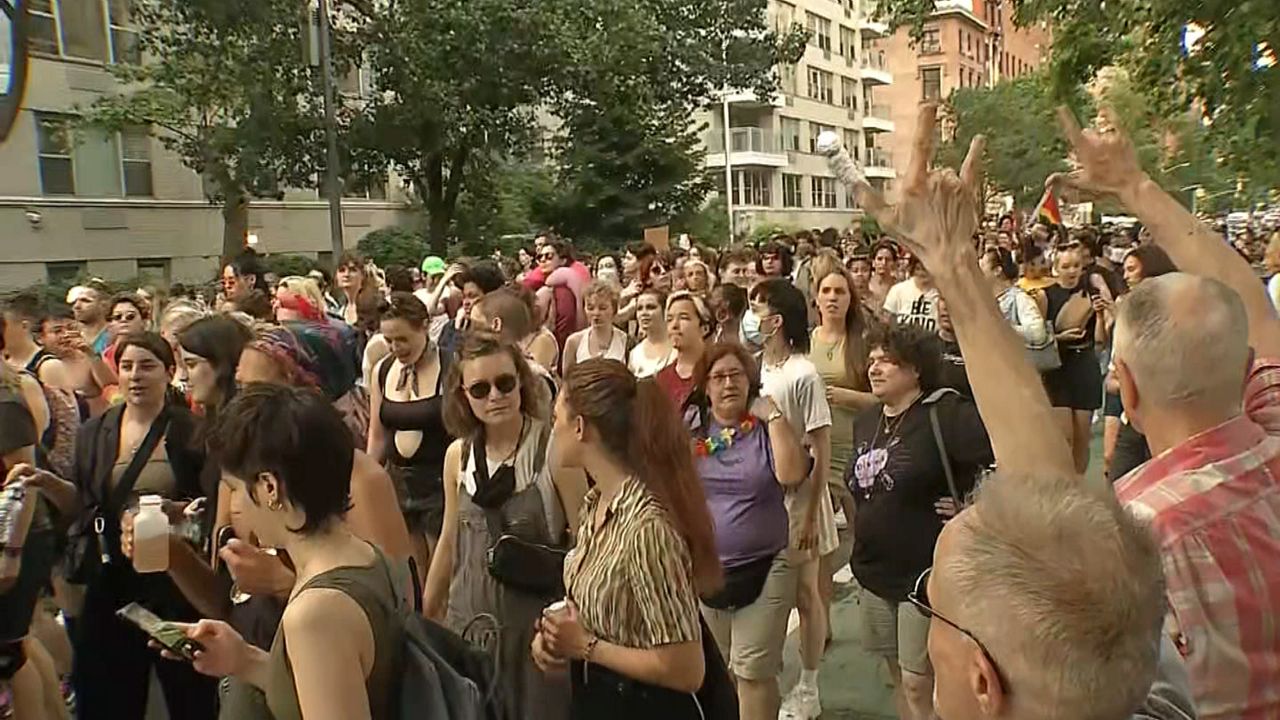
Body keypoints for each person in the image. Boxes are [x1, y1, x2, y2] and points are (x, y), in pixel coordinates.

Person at [844, 100, 1186, 720]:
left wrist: (950, 262)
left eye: (933, 607)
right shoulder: (1143, 697)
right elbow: (1068, 544)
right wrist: (950, 261)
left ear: (984, 682)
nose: (927, 611)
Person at [1053, 105, 1280, 718]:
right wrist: (1135, 185)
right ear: (1244, 370)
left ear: (1124, 388)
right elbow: (1254, 306)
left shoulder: (1132, 535)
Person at [165, 384, 401, 719]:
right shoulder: (365, 555)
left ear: (269, 488)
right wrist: (245, 660)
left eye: (235, 490)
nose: (235, 506)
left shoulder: (315, 613)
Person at [532, 359, 723, 718]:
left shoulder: (647, 527)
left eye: (556, 419)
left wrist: (586, 646)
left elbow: (686, 668)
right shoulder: (596, 504)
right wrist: (559, 639)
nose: (551, 430)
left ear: (580, 428)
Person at [427, 332, 585, 718]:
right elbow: (451, 540)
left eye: (505, 383)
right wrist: (427, 615)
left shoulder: (554, 451)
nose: (495, 396)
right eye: (480, 389)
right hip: (468, 633)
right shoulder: (457, 457)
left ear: (522, 381)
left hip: (535, 639)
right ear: (463, 395)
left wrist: (574, 631)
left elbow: (587, 545)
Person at [847, 321, 993, 720]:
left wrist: (975, 509)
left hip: (924, 570)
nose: (874, 368)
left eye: (888, 361)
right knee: (899, 675)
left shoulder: (946, 415)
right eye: (872, 360)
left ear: (916, 370)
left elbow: (1006, 457)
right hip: (873, 569)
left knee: (919, 679)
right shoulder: (867, 420)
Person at [69, 332, 217, 720]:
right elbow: (83, 501)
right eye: (127, 366)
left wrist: (180, 513)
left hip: (174, 579)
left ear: (169, 373)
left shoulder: (191, 432)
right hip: (112, 575)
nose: (136, 375)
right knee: (106, 690)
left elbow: (212, 505)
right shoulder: (94, 433)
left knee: (188, 688)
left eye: (148, 366)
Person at [687, 343, 806, 720]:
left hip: (768, 564)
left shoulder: (766, 428)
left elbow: (790, 475)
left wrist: (773, 417)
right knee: (721, 670)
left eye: (736, 375)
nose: (727, 384)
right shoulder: (692, 429)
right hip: (707, 569)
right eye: (718, 377)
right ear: (705, 387)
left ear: (750, 381)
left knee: (752, 671)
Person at [749, 278, 837, 720]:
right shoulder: (754, 368)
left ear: (776, 319)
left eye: (756, 307)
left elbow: (820, 445)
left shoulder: (804, 374)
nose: (751, 316)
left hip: (801, 499)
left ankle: (809, 683)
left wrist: (809, 516)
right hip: (759, 501)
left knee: (806, 594)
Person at [805, 250, 877, 655]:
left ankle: (874, 609)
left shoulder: (861, 343)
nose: (833, 298)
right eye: (826, 291)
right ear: (816, 298)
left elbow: (883, 399)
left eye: (840, 292)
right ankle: (822, 620)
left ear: (851, 299)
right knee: (817, 547)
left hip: (858, 451)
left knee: (865, 537)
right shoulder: (806, 341)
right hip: (817, 454)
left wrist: (849, 395)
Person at [367, 293, 451, 578]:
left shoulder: (451, 367)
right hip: (399, 481)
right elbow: (377, 435)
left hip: (439, 482)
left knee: (442, 570)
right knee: (412, 569)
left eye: (402, 339)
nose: (395, 348)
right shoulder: (383, 370)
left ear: (424, 326)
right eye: (388, 340)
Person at [1043, 244, 1113, 473]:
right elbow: (1039, 337)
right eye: (1066, 266)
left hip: (1084, 365)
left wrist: (1101, 316)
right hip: (1057, 368)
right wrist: (1060, 337)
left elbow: (1100, 342)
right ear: (1056, 268)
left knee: (1082, 438)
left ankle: (1079, 486)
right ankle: (1065, 484)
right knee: (1065, 438)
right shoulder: (1046, 295)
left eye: (1076, 266)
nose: (1071, 271)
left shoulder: (1090, 296)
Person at [978, 248, 1049, 346]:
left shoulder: (1020, 298)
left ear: (997, 270)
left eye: (982, 265)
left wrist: (1002, 328)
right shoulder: (983, 301)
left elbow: (1037, 333)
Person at [655, 292, 711, 410]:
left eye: (684, 318)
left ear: (704, 328)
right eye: (669, 319)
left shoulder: (716, 371)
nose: (674, 325)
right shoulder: (662, 379)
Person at [563, 281, 627, 376]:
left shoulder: (625, 341)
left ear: (614, 309)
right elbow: (566, 382)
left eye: (602, 308)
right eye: (590, 308)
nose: (596, 313)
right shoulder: (574, 342)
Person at [627, 288, 675, 379]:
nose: (644, 313)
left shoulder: (678, 347)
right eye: (639, 309)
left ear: (665, 311)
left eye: (650, 307)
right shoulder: (635, 354)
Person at [882, 257, 938, 331]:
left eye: (925, 269)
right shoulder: (898, 290)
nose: (922, 273)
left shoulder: (941, 293)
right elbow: (887, 320)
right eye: (918, 268)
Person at [103, 293, 150, 371]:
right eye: (117, 317)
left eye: (130, 316)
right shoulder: (104, 356)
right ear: (109, 324)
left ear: (144, 322)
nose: (123, 320)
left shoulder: (154, 352)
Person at [67, 281, 112, 357]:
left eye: (85, 301)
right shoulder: (69, 334)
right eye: (75, 302)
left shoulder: (114, 335)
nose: (77, 306)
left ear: (104, 305)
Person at [867, 241, 899, 309]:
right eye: (879, 259)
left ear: (894, 263)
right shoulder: (865, 284)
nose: (883, 263)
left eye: (888, 259)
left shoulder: (899, 286)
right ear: (873, 262)